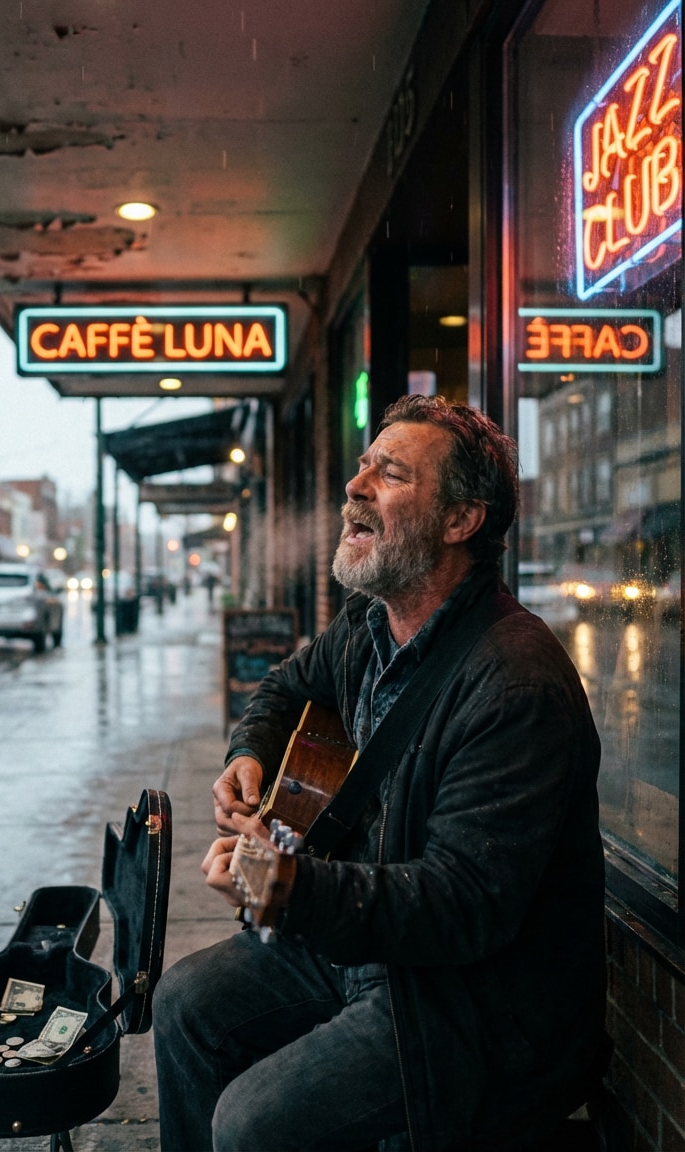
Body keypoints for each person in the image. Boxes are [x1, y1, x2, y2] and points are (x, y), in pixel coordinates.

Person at [153, 395, 606, 1152]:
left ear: (461, 520)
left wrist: (288, 887)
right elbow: (282, 689)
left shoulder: (515, 683)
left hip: (471, 1005)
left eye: (389, 474)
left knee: (252, 1122)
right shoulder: (369, 627)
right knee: (185, 1003)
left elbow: (464, 906)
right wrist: (248, 756)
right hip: (364, 952)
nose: (354, 488)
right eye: (361, 468)